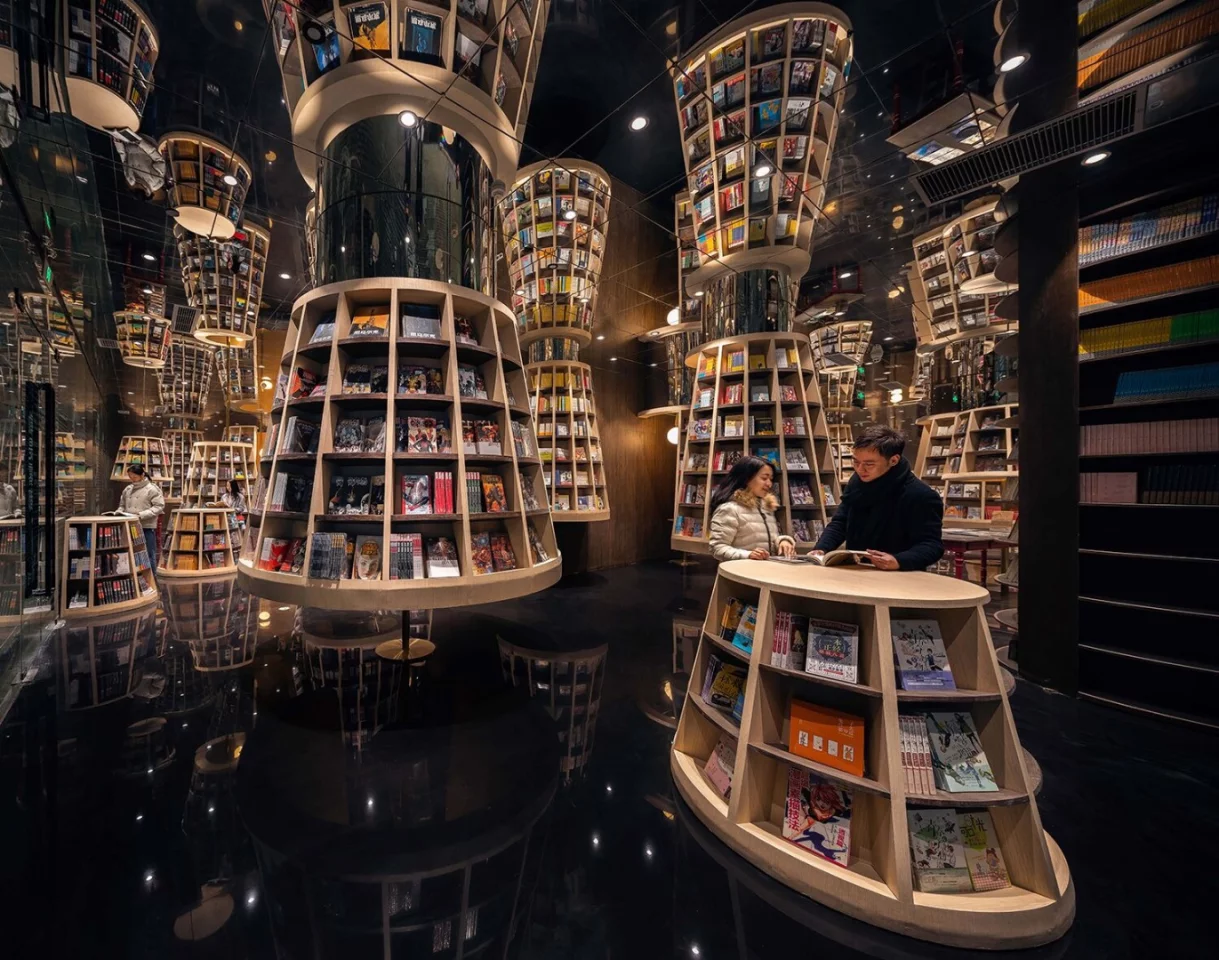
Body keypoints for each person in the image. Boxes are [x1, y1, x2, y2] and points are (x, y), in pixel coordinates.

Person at [812, 425, 943, 571]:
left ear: (893, 460)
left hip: (900, 580)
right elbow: (840, 523)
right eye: (856, 462)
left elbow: (931, 545)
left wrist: (898, 560)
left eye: (869, 464)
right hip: (856, 572)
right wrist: (821, 550)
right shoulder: (857, 482)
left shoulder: (921, 495)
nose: (860, 469)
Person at [708, 456, 797, 562]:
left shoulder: (766, 507)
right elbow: (717, 548)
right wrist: (748, 555)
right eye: (764, 478)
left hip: (765, 571)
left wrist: (782, 541)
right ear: (746, 478)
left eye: (771, 479)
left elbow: (766, 538)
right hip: (740, 574)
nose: (769, 484)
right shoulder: (729, 509)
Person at [119, 464, 165, 571]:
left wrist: (141, 515)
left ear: (142, 475)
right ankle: (136, 578)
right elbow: (122, 505)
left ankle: (152, 579)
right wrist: (118, 513)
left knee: (148, 554)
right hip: (129, 525)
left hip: (146, 526)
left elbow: (159, 506)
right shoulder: (128, 489)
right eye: (130, 477)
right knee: (130, 553)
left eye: (134, 477)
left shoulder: (152, 489)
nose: (132, 479)